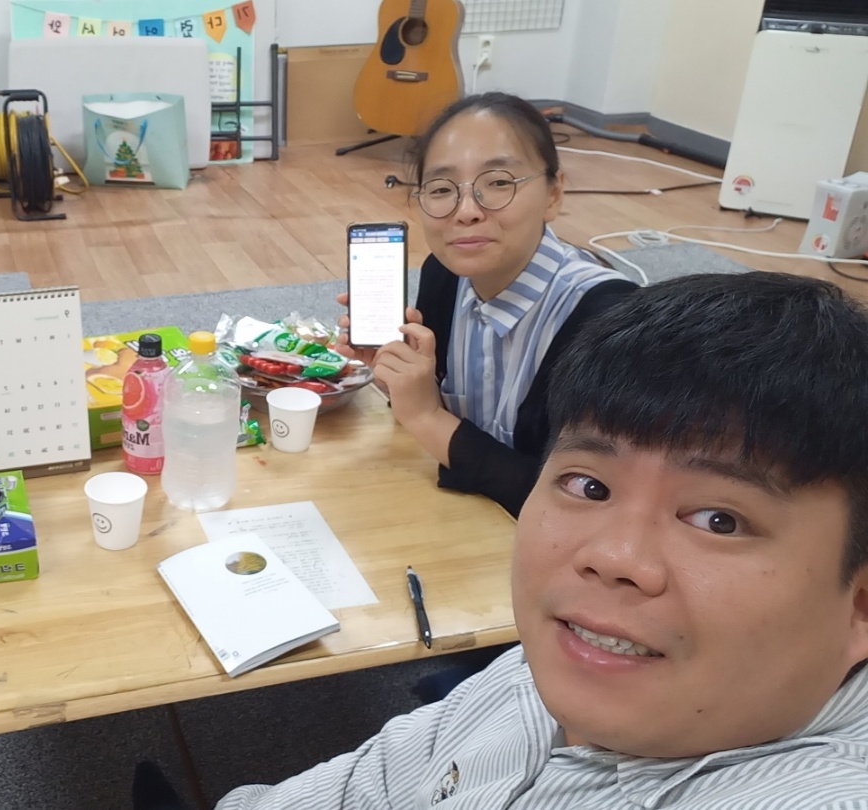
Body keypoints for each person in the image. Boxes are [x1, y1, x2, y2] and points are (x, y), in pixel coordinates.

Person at [209, 272, 868, 808]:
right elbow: (371, 781)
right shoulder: (578, 650)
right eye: (590, 486)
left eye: (718, 520)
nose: (611, 558)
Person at [337, 92, 638, 517]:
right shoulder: (445, 274)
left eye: (498, 182)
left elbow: (588, 506)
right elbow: (452, 419)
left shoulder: (607, 322)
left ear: (554, 193)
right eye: (442, 189)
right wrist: (402, 382)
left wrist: (426, 417)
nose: (466, 212)